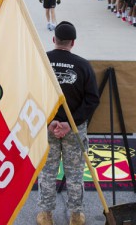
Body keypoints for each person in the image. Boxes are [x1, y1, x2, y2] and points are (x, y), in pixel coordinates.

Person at [37, 21, 100, 225]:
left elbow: (31, 95)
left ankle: (45, 215)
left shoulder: (41, 61)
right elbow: (92, 99)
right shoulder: (83, 65)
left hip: (46, 127)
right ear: (73, 42)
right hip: (74, 128)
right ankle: (76, 215)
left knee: (47, 172)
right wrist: (70, 124)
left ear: (54, 39)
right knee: (75, 173)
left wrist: (50, 122)